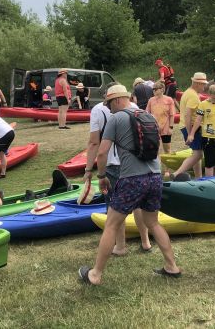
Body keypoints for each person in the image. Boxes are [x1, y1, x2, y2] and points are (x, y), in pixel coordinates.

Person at [78, 84, 180, 285]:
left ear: (116, 100)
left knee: (111, 224)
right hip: (154, 176)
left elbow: (101, 152)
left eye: (109, 104)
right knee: (153, 222)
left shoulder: (116, 118)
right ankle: (172, 266)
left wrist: (101, 176)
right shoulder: (147, 115)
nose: (108, 108)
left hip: (132, 179)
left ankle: (95, 274)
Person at [83, 83, 152, 254]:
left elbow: (94, 142)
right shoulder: (134, 107)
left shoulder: (98, 110)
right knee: (137, 204)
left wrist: (89, 169)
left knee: (116, 207)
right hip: (135, 162)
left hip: (113, 164)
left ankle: (120, 246)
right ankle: (145, 242)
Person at [171, 73, 209, 179]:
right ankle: (176, 174)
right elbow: (188, 113)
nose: (204, 86)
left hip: (185, 126)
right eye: (202, 84)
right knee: (198, 155)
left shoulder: (188, 92)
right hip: (191, 127)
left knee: (196, 153)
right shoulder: (193, 95)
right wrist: (190, 133)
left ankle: (198, 178)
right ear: (196, 83)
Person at [146, 80, 176, 155]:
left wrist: (171, 128)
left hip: (166, 128)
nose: (154, 91)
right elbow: (147, 113)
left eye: (155, 89)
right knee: (155, 149)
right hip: (154, 129)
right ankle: (157, 166)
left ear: (162, 89)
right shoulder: (151, 100)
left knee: (167, 149)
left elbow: (172, 115)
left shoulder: (169, 99)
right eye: (153, 89)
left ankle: (168, 167)